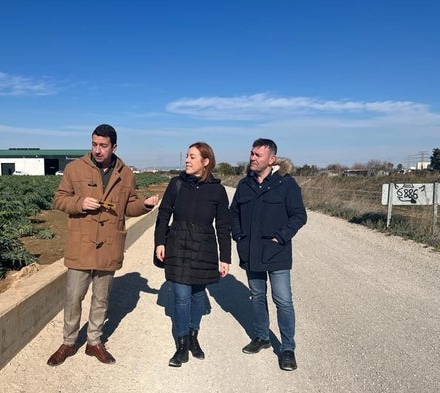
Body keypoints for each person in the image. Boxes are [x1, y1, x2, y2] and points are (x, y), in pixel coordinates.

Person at [47, 124, 159, 367]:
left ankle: (94, 342)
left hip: (109, 244)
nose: (97, 150)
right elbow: (59, 199)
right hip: (81, 245)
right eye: (94, 144)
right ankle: (68, 342)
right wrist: (79, 203)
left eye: (103, 146)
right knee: (73, 296)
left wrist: (145, 205)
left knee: (101, 298)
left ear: (114, 147)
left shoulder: (126, 174)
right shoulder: (74, 169)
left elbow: (127, 207)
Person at [230, 138, 307, 371]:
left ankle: (287, 349)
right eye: (252, 154)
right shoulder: (245, 185)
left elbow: (299, 215)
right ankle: (262, 337)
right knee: (257, 296)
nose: (252, 158)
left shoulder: (286, 184)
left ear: (271, 159)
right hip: (251, 251)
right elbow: (234, 213)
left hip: (277, 252)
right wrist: (239, 236)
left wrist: (280, 237)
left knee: (283, 301)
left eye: (258, 155)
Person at [154, 141, 231, 367]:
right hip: (177, 246)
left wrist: (225, 257)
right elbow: (163, 214)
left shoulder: (217, 190)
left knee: (198, 296)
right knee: (181, 296)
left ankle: (193, 336)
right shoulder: (176, 184)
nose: (187, 160)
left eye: (192, 157)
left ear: (205, 162)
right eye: (187, 156)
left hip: (203, 249)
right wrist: (160, 243)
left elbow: (224, 226)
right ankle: (181, 345)